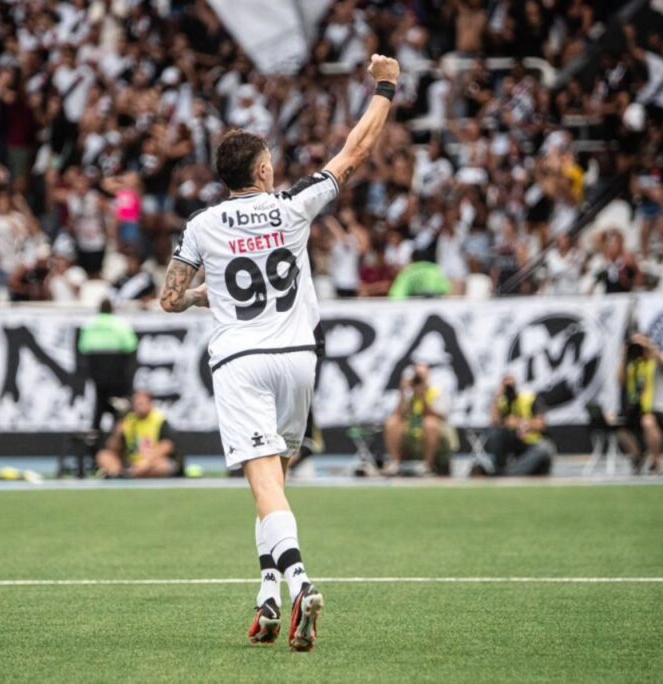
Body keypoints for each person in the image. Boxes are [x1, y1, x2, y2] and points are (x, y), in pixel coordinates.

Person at [159, 54, 400, 652]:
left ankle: (299, 582)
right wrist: (387, 87)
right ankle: (268, 595)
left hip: (241, 361)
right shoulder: (293, 206)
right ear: (264, 170)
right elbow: (356, 149)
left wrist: (203, 297)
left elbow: (168, 297)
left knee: (264, 483)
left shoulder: (203, 224)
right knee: (276, 483)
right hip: (298, 356)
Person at [618, 333, 663, 473]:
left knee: (648, 421)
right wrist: (624, 355)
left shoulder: (661, 357)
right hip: (643, 409)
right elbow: (621, 381)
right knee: (618, 425)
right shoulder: (636, 364)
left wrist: (648, 346)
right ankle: (637, 457)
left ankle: (655, 461)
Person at [78, 298, 139, 435]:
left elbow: (83, 347)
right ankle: (119, 433)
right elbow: (131, 345)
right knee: (120, 402)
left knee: (100, 400)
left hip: (96, 370)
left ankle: (95, 430)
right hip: (116, 369)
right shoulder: (120, 324)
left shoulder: (89, 324)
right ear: (112, 309)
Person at [383, 364, 456, 477]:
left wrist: (423, 396)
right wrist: (403, 393)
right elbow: (399, 414)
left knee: (429, 423)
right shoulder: (409, 394)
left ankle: (427, 466)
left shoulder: (437, 391)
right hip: (413, 430)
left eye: (421, 376)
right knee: (393, 422)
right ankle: (395, 463)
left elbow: (440, 416)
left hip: (436, 432)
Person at [474, 375, 554, 477]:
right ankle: (500, 467)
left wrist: (520, 423)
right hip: (514, 442)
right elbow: (493, 421)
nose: (509, 389)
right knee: (494, 434)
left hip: (532, 442)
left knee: (545, 448)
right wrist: (497, 398)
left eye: (511, 386)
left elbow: (541, 424)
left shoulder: (529, 398)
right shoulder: (502, 401)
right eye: (506, 386)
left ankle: (508, 474)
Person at [94, 390, 181, 478]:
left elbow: (167, 446)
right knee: (103, 456)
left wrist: (145, 464)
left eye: (141, 403)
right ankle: (118, 475)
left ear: (150, 404)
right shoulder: (128, 421)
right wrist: (117, 434)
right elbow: (113, 449)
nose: (138, 406)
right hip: (130, 463)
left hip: (150, 462)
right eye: (135, 403)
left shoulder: (159, 420)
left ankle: (135, 475)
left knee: (163, 466)